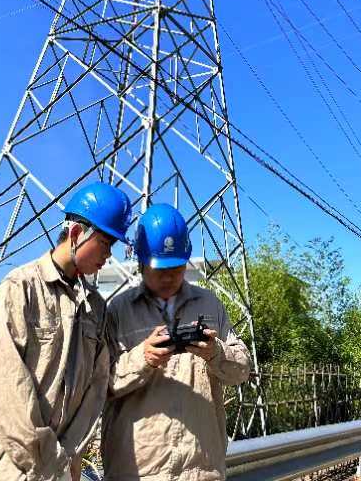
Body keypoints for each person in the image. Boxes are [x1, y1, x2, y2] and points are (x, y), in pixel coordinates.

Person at [0, 182, 132, 481]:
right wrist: (48, 462)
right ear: (76, 234)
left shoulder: (95, 309)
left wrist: (65, 457)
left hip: (55, 468)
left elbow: (96, 388)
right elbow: (5, 387)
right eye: (106, 243)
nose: (109, 255)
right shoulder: (21, 288)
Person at [103, 203, 251, 481]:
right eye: (160, 269)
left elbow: (242, 370)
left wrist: (215, 352)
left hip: (201, 469)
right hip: (136, 471)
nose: (169, 276)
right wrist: (142, 358)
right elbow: (98, 383)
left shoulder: (210, 304)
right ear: (140, 261)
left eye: (177, 267)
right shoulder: (118, 311)